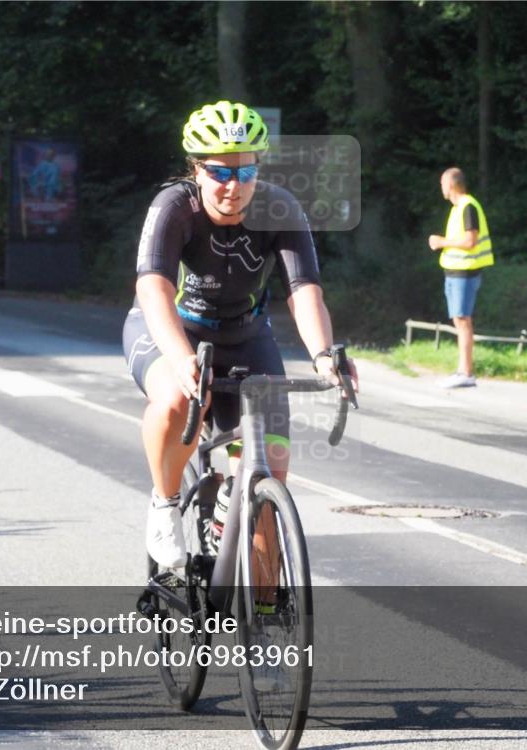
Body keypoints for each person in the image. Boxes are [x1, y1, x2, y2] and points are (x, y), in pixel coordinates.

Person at [123, 100, 358, 568]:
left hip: (246, 337)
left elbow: (304, 289)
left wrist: (323, 355)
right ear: (196, 169)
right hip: (172, 329)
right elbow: (153, 289)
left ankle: (266, 620)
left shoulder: (279, 207)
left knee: (270, 469)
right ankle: (165, 504)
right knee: (179, 399)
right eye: (220, 173)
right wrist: (181, 357)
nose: (234, 186)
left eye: (245, 173)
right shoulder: (175, 207)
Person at [427, 167, 493, 388]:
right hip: (457, 271)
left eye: (443, 183)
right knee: (460, 319)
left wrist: (441, 242)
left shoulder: (467, 207)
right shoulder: (459, 208)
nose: (441, 188)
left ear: (452, 185)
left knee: (463, 320)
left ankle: (466, 371)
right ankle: (462, 370)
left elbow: (469, 241)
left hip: (465, 272)